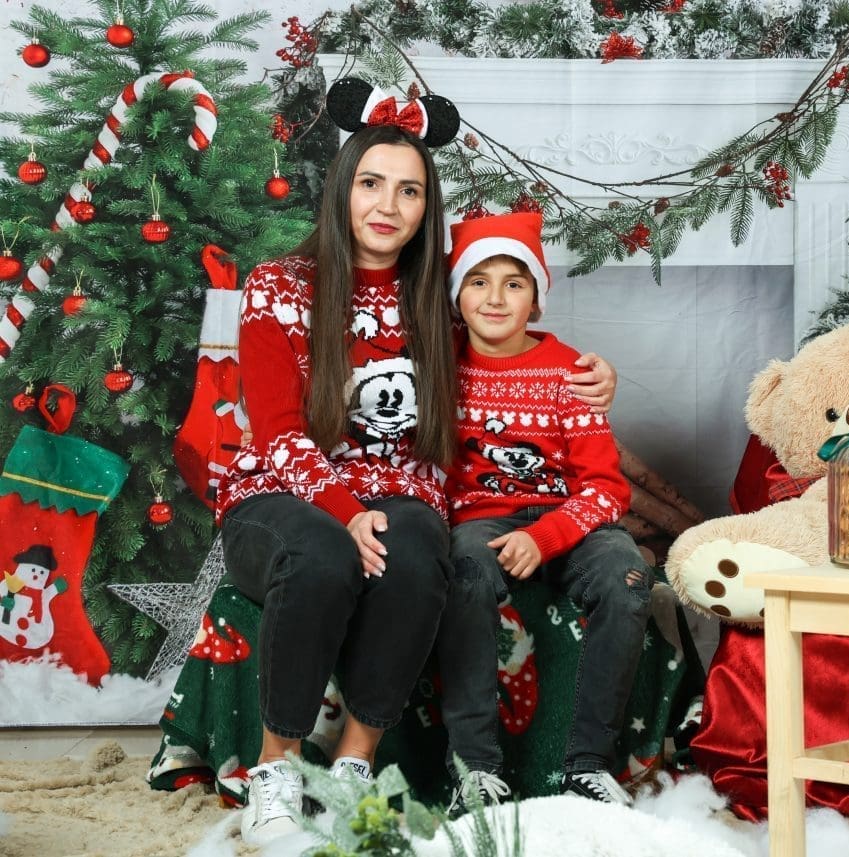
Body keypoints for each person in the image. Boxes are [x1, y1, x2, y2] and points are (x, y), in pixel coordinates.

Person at [217, 83, 616, 846]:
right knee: (323, 551)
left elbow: (511, 344)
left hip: (402, 492)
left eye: (409, 191)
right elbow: (276, 433)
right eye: (372, 183)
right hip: (280, 495)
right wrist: (345, 512)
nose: (388, 205)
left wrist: (592, 378)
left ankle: (354, 762)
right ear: (343, 187)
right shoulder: (279, 286)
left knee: (418, 544)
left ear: (427, 208)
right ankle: (275, 768)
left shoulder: (435, 295)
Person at [434, 212, 652, 813]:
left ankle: (588, 765)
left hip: (571, 517)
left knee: (627, 577)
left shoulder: (569, 373)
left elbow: (606, 489)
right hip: (481, 521)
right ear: (456, 296)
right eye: (478, 281)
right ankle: (474, 768)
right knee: (465, 570)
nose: (495, 298)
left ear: (535, 298)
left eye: (514, 283)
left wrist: (547, 536)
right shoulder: (438, 366)